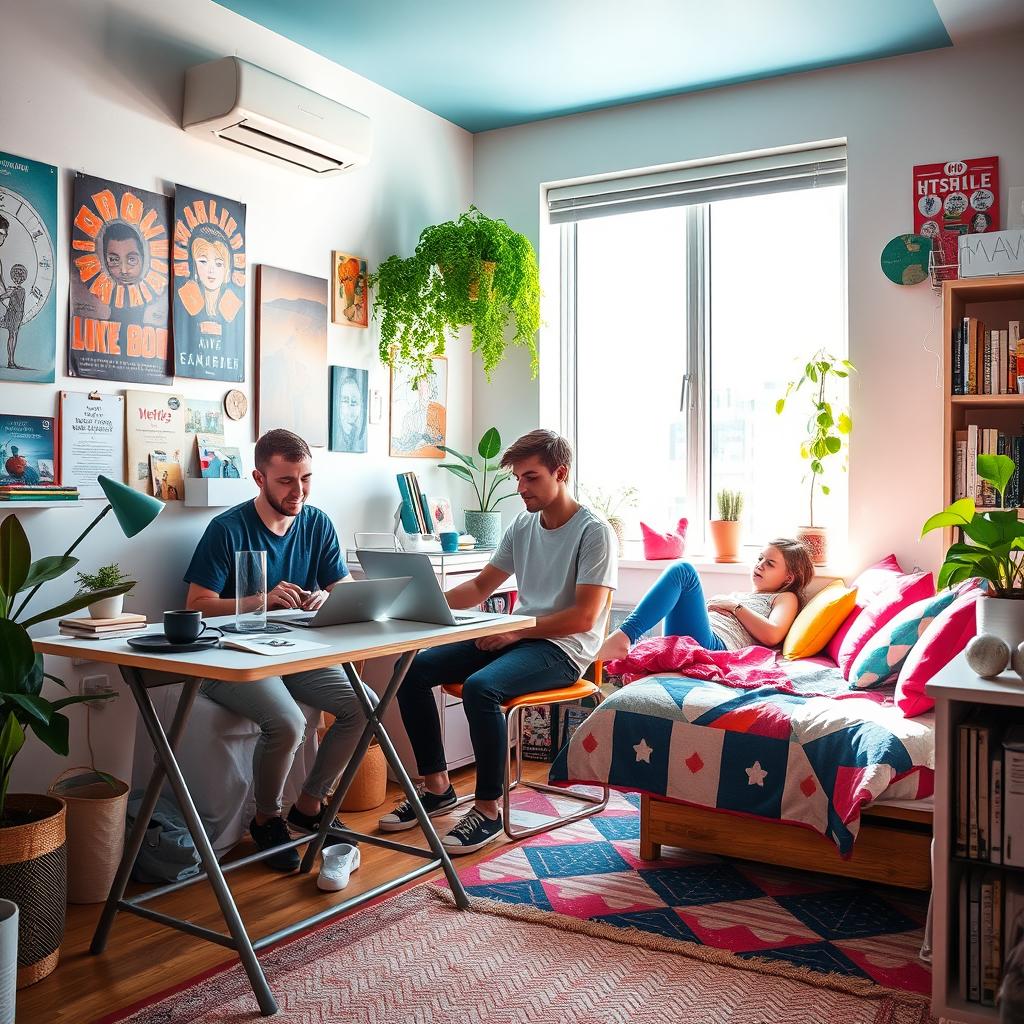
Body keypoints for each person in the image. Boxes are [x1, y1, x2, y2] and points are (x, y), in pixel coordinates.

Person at [379, 429, 617, 854]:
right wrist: (415, 608)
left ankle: (488, 810)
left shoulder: (594, 532)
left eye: (531, 478)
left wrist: (515, 629)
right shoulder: (522, 525)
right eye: (518, 479)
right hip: (521, 635)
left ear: (560, 473)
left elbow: (583, 617)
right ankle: (437, 787)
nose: (521, 489)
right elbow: (479, 586)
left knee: (481, 688)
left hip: (564, 649)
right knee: (411, 671)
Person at [184, 428, 373, 872]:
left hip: (292, 653)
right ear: (259, 478)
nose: (299, 490)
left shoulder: (317, 522)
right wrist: (260, 599)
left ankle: (308, 807)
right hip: (231, 659)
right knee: (287, 723)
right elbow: (195, 607)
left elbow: (341, 586)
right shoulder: (226, 529)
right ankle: (267, 818)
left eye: (306, 478)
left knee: (364, 707)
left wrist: (331, 596)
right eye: (286, 480)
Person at [597, 538, 814, 664]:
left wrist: (735, 607)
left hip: (715, 646)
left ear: (789, 577)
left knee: (684, 571)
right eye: (759, 559)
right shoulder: (745, 594)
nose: (760, 565)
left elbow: (773, 634)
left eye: (770, 563)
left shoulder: (785, 597)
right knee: (680, 583)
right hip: (704, 637)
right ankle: (624, 638)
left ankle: (624, 636)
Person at [0, 264, 27, 369]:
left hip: (18, 315)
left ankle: (11, 361)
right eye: (16, 277)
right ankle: (10, 361)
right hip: (12, 314)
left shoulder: (21, 290)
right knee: (12, 336)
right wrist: (8, 294)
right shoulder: (13, 290)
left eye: (20, 277)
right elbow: (2, 298)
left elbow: (20, 305)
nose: (18, 279)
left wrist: (10, 294)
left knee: (13, 335)